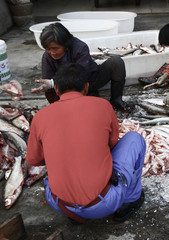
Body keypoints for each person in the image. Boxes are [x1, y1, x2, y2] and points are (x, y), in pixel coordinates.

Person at [26, 63, 146, 224]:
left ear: (56, 90)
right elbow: (112, 144)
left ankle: (74, 212)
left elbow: (34, 159)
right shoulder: (102, 105)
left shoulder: (40, 116)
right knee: (134, 138)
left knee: (52, 175)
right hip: (105, 203)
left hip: (60, 204)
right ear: (86, 87)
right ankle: (130, 201)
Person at [31, 22, 134, 112]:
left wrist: (52, 82)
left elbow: (79, 76)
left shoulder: (80, 47)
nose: (52, 52)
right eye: (48, 49)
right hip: (67, 92)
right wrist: (57, 106)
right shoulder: (47, 57)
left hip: (90, 80)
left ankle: (116, 100)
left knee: (116, 62)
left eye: (55, 48)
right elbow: (48, 87)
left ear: (65, 44)